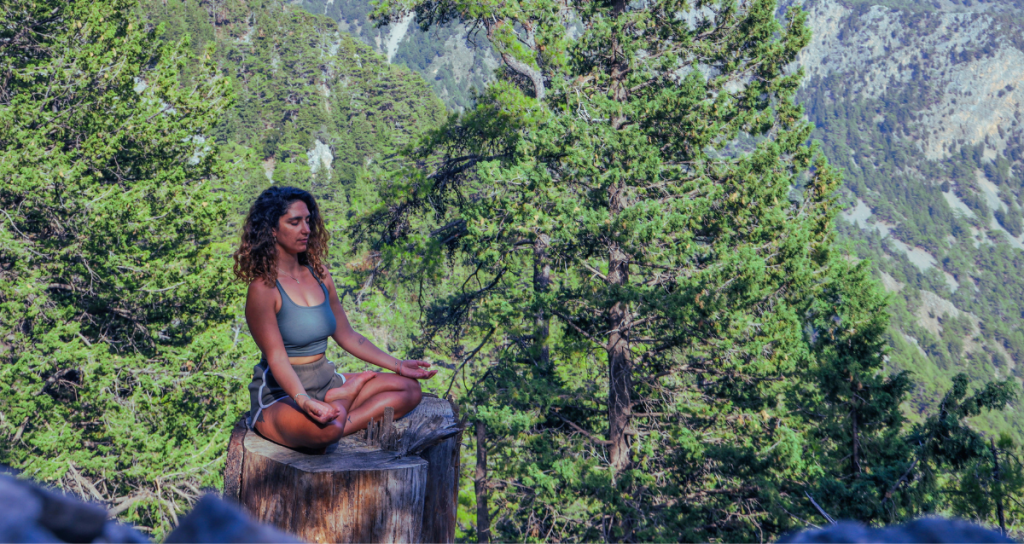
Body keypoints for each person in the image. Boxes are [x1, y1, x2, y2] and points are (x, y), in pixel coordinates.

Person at [232, 186, 436, 451]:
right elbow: (278, 358)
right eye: (294, 222)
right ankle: (343, 402)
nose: (306, 229)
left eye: (308, 220)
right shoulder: (263, 289)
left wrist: (398, 365)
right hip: (281, 393)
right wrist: (303, 400)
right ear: (272, 229)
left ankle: (338, 403)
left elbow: (348, 336)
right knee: (326, 433)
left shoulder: (320, 274)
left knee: (410, 390)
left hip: (326, 380)